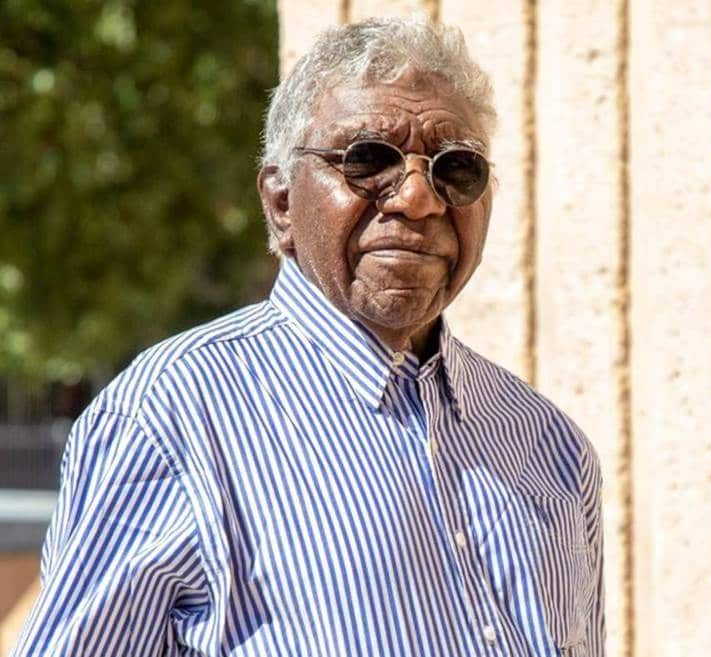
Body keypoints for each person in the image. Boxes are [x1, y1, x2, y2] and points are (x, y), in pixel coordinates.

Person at [13, 16, 605, 657]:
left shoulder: (550, 446)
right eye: (369, 160)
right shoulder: (171, 417)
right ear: (281, 204)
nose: (417, 198)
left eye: (455, 169)